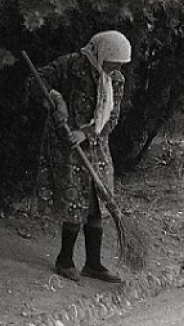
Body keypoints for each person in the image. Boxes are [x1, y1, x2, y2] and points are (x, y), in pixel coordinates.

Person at [26, 30, 132, 283]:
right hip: (65, 146)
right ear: (101, 53)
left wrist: (86, 134)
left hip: (94, 145)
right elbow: (37, 80)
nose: (116, 67)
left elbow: (112, 117)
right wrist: (55, 98)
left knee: (97, 201)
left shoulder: (115, 79)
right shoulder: (71, 64)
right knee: (75, 201)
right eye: (114, 62)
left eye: (120, 64)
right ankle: (65, 260)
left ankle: (93, 264)